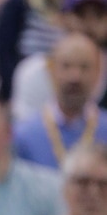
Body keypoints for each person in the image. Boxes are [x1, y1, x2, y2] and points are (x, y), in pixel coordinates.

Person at [11, 0, 107, 121]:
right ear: (61, 19)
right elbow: (26, 136)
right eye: (81, 15)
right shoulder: (33, 71)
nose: (90, 23)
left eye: (98, 16)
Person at [13, 31, 107, 168]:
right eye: (66, 66)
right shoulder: (23, 136)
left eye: (84, 67)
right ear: (51, 70)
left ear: (99, 71)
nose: (75, 77)